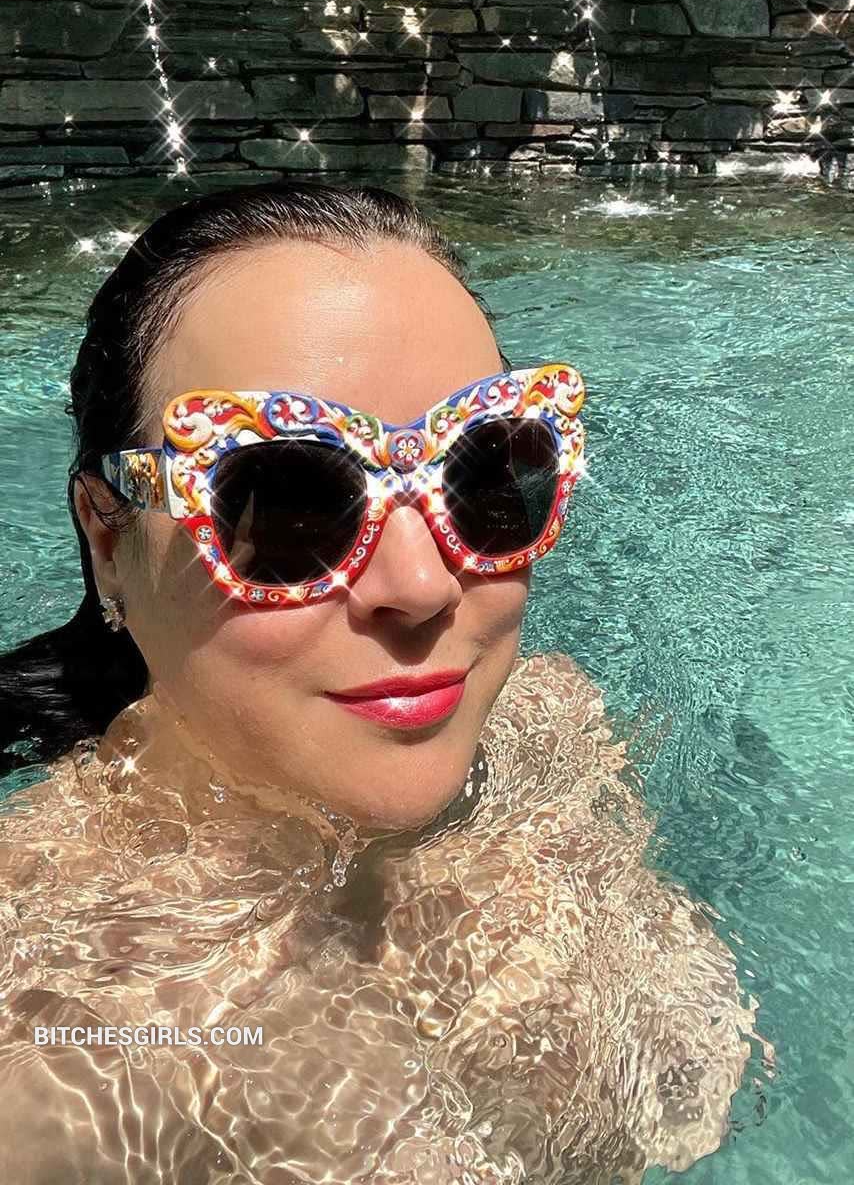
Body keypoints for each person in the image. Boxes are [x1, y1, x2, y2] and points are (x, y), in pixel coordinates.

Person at [0, 181, 774, 1184]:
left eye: (481, 474)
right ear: (110, 541)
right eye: (285, 500)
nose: (423, 586)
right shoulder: (54, 1033)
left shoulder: (548, 727)